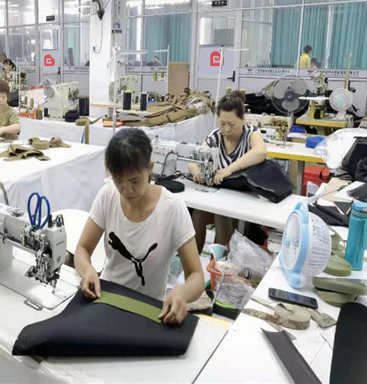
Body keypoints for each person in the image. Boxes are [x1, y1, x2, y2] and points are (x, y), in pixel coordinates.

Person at [74, 129, 204, 324]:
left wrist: (182, 293)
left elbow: (197, 276)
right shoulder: (108, 195)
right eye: (118, 180)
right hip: (107, 297)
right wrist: (88, 271)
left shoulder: (172, 209)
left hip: (149, 309)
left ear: (150, 168)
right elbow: (82, 249)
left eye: (135, 180)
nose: (127, 189)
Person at [188, 91, 267, 249]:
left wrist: (229, 169)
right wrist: (196, 172)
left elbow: (260, 152)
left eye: (231, 124)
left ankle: (219, 259)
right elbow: (193, 158)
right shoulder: (215, 136)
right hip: (220, 197)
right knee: (197, 213)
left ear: (243, 119)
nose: (226, 129)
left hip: (244, 201)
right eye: (222, 124)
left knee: (221, 213)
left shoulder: (251, 133)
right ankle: (192, 260)